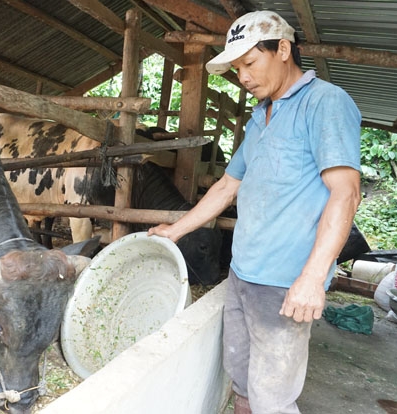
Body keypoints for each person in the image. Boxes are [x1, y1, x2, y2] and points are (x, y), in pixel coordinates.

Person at [148, 10, 361, 414]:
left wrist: (312, 279)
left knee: (273, 400)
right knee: (243, 383)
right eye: (237, 68)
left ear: (283, 49)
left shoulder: (325, 103)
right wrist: (176, 230)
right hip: (242, 272)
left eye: (249, 63)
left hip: (285, 284)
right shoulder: (260, 119)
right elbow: (228, 186)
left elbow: (346, 194)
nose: (243, 77)